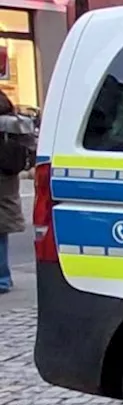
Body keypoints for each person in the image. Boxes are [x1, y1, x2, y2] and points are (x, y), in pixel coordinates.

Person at [0, 91, 35, 293]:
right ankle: (3, 279)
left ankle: (3, 279)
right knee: (2, 230)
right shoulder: (11, 120)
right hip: (8, 175)